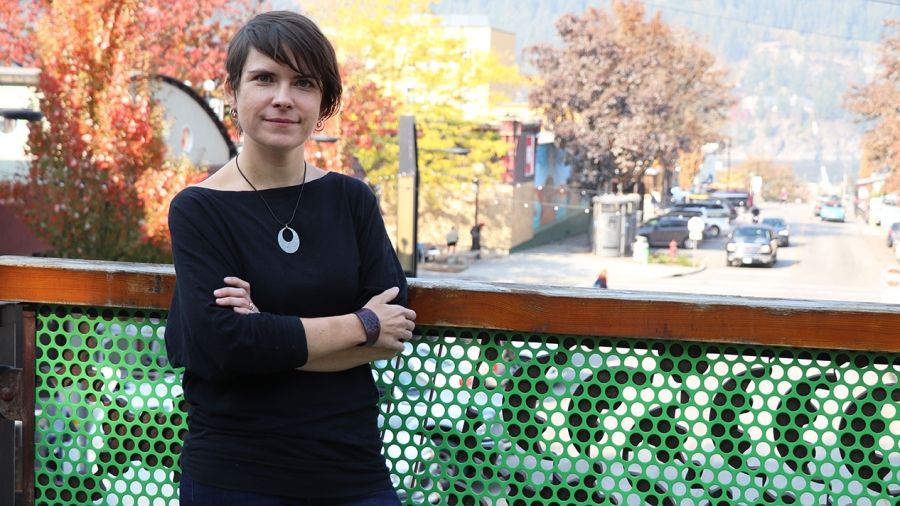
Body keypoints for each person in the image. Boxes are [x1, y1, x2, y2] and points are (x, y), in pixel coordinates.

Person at [164, 11, 415, 505]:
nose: (283, 97)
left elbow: (394, 333)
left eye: (303, 82)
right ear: (232, 91)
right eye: (265, 78)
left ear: (323, 102)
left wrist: (266, 335)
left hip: (352, 471)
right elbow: (225, 343)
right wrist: (361, 323)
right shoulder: (198, 208)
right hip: (234, 476)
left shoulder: (352, 200)